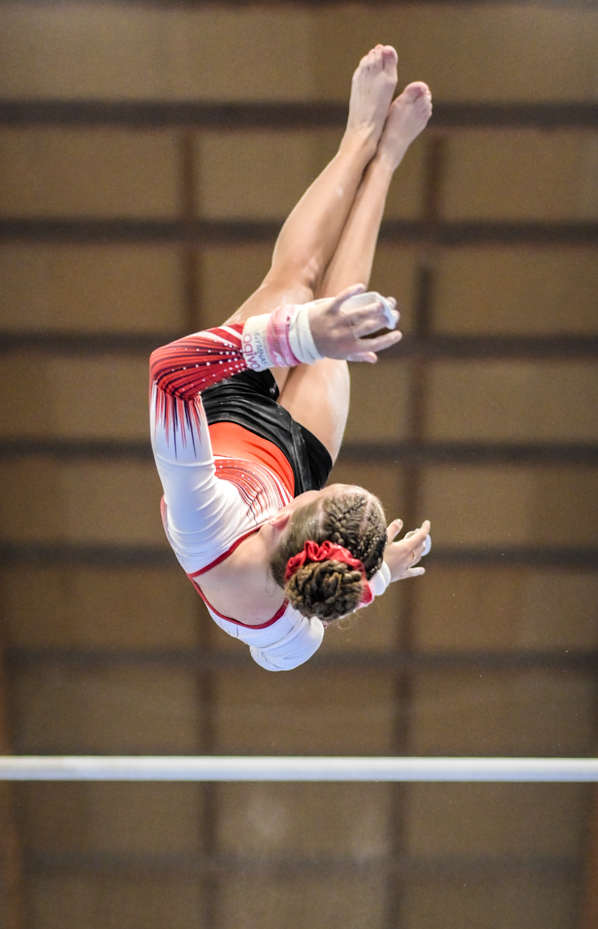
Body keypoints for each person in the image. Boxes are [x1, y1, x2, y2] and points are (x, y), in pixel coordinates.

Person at [149, 46, 432, 671]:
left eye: (300, 504)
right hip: (295, 455)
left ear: (280, 527)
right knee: (344, 311)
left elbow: (168, 373)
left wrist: (298, 336)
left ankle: (359, 138)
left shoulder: (208, 527)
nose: (292, 499)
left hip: (221, 410)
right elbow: (343, 593)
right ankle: (386, 162)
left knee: (301, 281)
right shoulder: (310, 592)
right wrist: (379, 575)